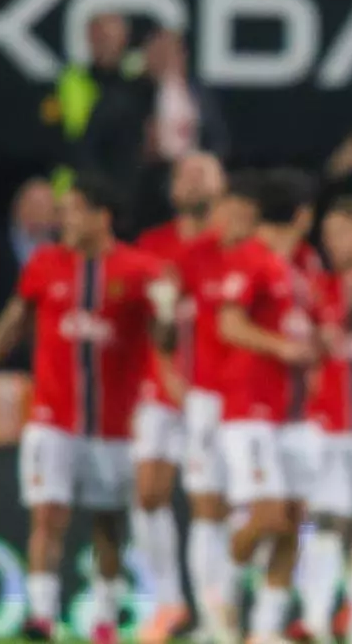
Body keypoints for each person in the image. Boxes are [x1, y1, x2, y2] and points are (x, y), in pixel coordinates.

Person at [0, 173, 179, 644]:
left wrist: (165, 313)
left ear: (103, 217)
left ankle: (105, 619)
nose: (65, 220)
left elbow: (164, 344)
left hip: (115, 425)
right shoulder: (45, 264)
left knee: (107, 523)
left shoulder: (140, 270)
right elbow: (13, 322)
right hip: (52, 418)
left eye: (75, 210)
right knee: (47, 514)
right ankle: (41, 616)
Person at [216, 170, 316, 644]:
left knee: (294, 520)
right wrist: (282, 347)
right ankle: (221, 592)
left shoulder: (295, 268)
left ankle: (264, 629)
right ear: (303, 216)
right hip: (249, 409)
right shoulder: (250, 259)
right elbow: (229, 325)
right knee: (268, 517)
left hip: (291, 413)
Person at [130, 151, 225, 644]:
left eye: (201, 173)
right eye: (184, 175)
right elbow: (144, 320)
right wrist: (165, 371)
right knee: (148, 494)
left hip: (218, 392)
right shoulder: (153, 246)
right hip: (161, 387)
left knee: (220, 505)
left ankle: (219, 609)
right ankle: (167, 603)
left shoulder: (230, 245)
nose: (191, 182)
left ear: (222, 186)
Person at [288, 197, 352, 644]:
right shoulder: (318, 290)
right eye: (328, 235)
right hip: (328, 424)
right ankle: (315, 619)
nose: (333, 243)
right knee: (325, 519)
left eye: (343, 232)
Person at [176, 170, 264, 642]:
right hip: (207, 401)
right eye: (227, 211)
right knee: (206, 509)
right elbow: (162, 322)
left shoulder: (266, 261)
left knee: (256, 512)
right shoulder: (194, 258)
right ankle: (212, 619)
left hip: (256, 404)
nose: (233, 221)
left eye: (243, 214)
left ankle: (244, 612)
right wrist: (171, 380)